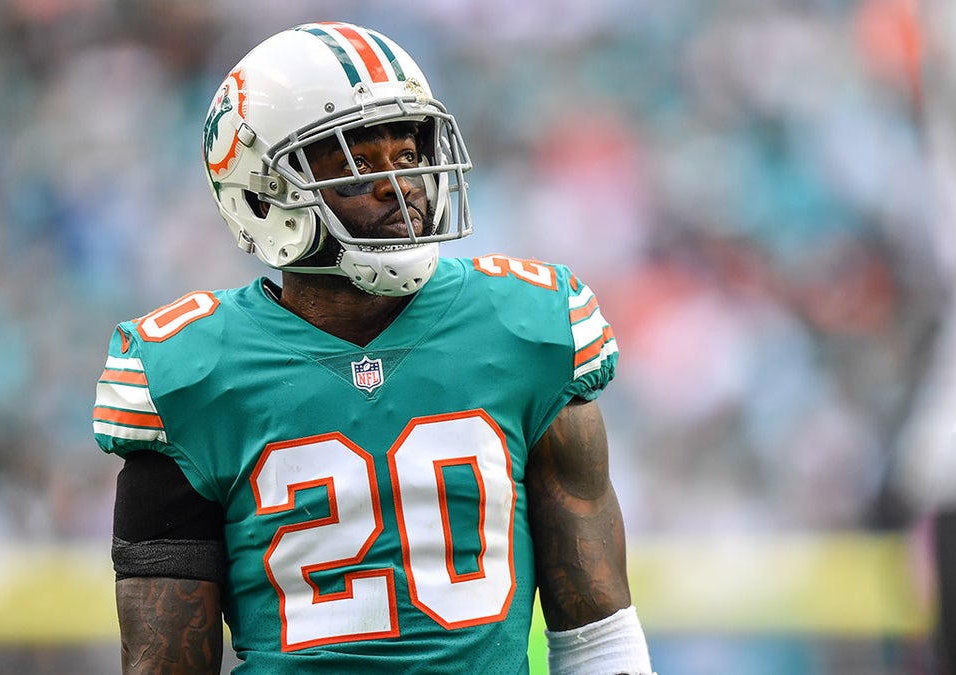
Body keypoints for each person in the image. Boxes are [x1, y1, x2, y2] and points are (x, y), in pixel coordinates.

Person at [92, 21, 654, 674]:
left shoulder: (527, 328)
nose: (401, 182)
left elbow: (597, 635)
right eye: (357, 158)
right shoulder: (190, 374)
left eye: (408, 150)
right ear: (263, 192)